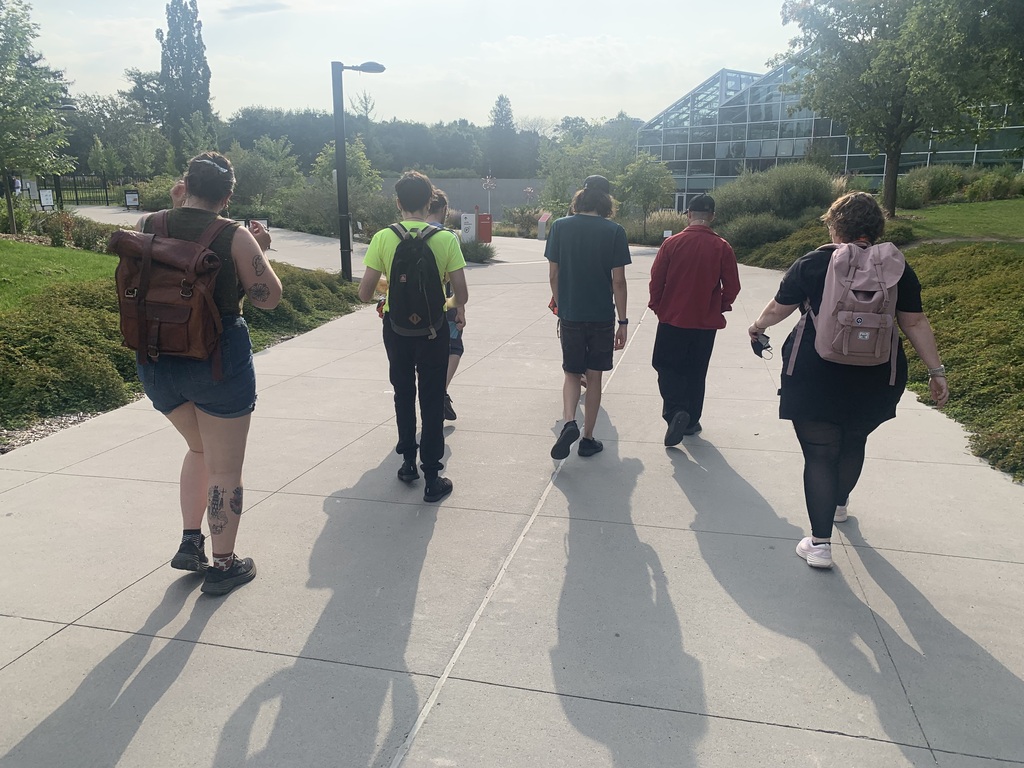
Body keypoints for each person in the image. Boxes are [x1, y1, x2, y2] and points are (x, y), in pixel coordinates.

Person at [748, 191, 949, 570]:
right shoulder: (897, 267)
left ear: (834, 226)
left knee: (820, 454)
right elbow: (915, 322)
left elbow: (779, 308)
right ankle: (839, 503)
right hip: (876, 375)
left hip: (814, 372)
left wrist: (757, 326)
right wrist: (936, 372)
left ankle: (819, 545)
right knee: (854, 439)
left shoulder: (813, 262)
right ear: (875, 229)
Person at [135, 152, 282, 595]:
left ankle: (189, 541)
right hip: (217, 361)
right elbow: (267, 298)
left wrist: (174, 203)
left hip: (158, 361)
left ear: (184, 184)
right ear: (229, 196)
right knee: (225, 468)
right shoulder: (234, 236)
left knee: (199, 449)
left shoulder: (148, 225)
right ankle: (223, 564)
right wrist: (262, 251)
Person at [358, 171, 468, 503]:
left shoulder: (382, 237)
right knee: (432, 397)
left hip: (396, 329)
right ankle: (433, 476)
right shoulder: (446, 238)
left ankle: (408, 463)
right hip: (434, 331)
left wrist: (387, 296)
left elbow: (364, 293)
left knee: (403, 393)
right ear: (428, 201)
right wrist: (445, 304)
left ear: (398, 203)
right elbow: (461, 295)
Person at [546, 174, 631, 460]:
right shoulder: (614, 231)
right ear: (607, 201)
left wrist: (561, 305)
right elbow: (618, 281)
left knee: (572, 373)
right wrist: (623, 321)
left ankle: (569, 421)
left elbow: (554, 275)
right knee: (593, 376)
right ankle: (588, 438)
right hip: (601, 316)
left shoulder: (559, 227)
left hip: (571, 313)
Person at [648, 193, 740, 445]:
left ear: (688, 214)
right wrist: (718, 306)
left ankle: (676, 410)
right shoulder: (722, 246)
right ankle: (691, 420)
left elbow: (657, 280)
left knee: (666, 366)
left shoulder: (671, 244)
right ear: (712, 216)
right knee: (696, 371)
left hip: (672, 318)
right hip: (705, 321)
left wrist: (658, 306)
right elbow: (732, 286)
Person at [427, 189, 464, 421]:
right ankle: (440, 391)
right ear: (444, 210)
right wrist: (460, 308)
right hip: (445, 304)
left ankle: (434, 393)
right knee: (454, 348)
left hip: (408, 308)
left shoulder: (402, 234)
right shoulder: (448, 236)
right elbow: (456, 280)